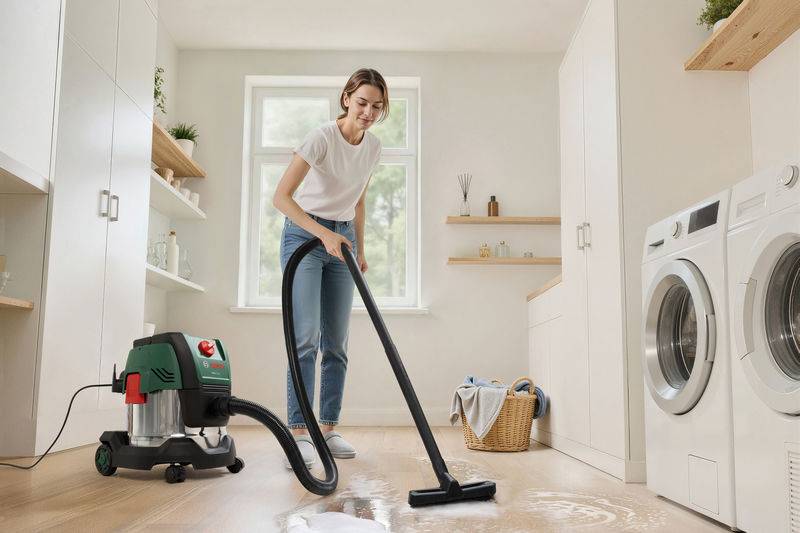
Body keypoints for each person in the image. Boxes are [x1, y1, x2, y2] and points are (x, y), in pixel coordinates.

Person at [272, 68, 389, 468]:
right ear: (346, 99)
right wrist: (322, 234)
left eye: (377, 106)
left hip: (342, 241)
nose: (368, 112)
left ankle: (328, 427)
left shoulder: (372, 148)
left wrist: (359, 248)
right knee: (305, 339)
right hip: (303, 235)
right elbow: (282, 198)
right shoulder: (321, 138)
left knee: (335, 343)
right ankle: (300, 432)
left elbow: (357, 201)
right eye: (362, 103)